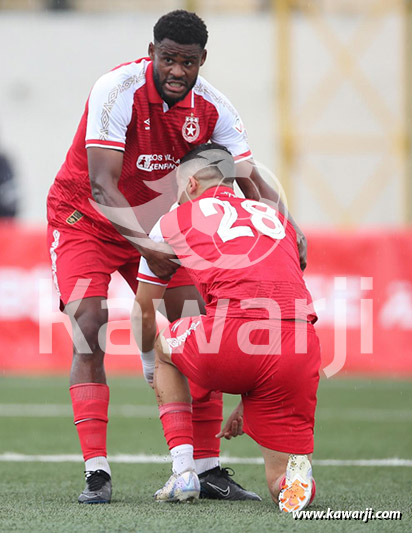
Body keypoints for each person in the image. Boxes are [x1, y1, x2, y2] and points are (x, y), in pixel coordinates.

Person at [46, 10, 306, 504]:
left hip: (163, 227)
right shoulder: (116, 90)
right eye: (168, 59)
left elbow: (246, 175)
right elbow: (102, 185)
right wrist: (148, 248)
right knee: (88, 321)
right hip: (85, 218)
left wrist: (288, 226)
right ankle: (96, 472)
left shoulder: (214, 108)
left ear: (202, 61)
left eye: (188, 62)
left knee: (195, 325)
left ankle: (204, 468)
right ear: (152, 54)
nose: (177, 71)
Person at [133, 143, 320, 512]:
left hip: (232, 339)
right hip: (299, 344)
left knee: (164, 346)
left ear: (190, 186)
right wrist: (248, 395)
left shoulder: (176, 216)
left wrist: (150, 361)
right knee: (281, 480)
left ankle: (184, 472)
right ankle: (296, 483)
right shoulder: (275, 217)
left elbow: (143, 307)